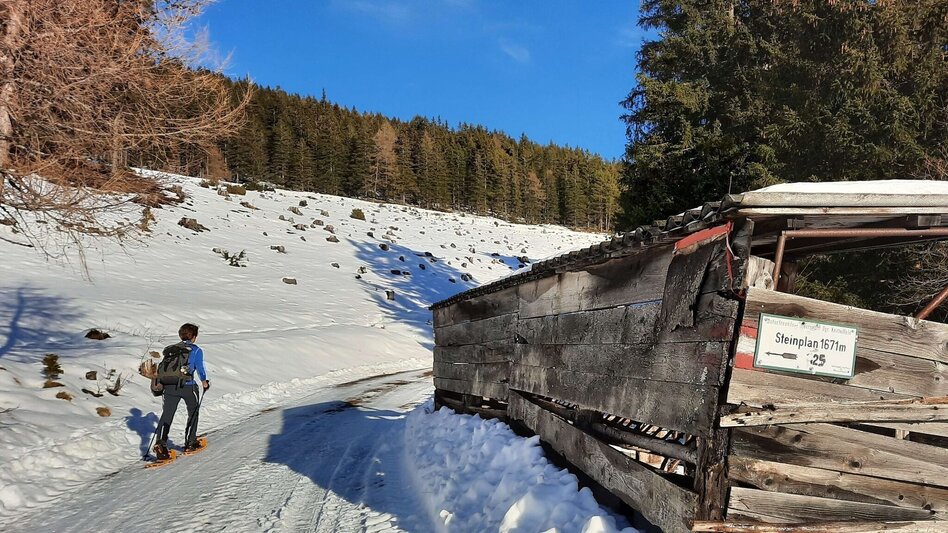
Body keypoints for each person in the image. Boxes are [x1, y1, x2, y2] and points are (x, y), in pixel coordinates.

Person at [154, 323, 210, 459]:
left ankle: (161, 446)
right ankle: (190, 442)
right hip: (188, 386)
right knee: (193, 412)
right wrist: (204, 381)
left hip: (169, 386)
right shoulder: (196, 350)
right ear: (194, 337)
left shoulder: (170, 350)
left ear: (181, 335)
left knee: (167, 415)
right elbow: (200, 368)